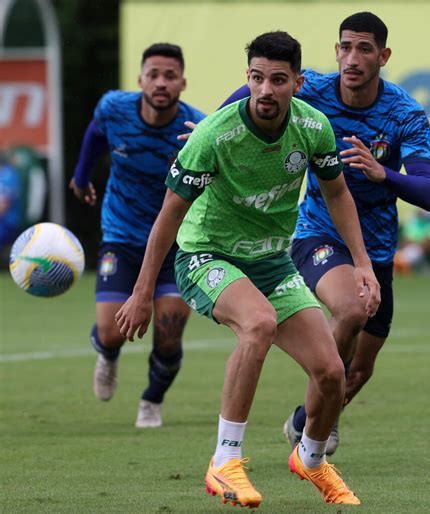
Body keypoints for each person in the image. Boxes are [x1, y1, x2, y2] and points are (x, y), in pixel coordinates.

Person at [116, 31, 380, 507]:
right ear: (248, 79)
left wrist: (363, 265)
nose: (265, 90)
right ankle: (225, 462)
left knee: (331, 372)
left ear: (297, 83)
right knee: (257, 325)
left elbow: (338, 193)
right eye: (257, 78)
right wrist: (140, 293)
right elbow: (170, 214)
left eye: (277, 80)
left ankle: (312, 459)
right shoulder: (214, 135)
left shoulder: (313, 128)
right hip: (206, 255)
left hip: (272, 263)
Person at [219, 11, 430, 456]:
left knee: (358, 371)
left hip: (376, 246)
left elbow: (428, 191)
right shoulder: (312, 87)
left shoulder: (404, 114)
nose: (351, 58)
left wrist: (384, 173)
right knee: (354, 310)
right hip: (316, 232)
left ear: (384, 56)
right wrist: (212, 128)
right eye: (345, 47)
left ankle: (308, 418)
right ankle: (316, 426)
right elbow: (250, 94)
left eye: (364, 48)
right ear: (335, 50)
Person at [69, 43, 205, 428]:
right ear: (140, 79)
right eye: (154, 75)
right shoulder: (115, 109)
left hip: (177, 242)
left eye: (170, 76)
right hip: (123, 232)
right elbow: (96, 135)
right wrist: (81, 178)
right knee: (112, 331)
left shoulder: (195, 129)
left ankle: (152, 400)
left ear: (183, 82)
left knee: (168, 334)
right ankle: (108, 355)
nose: (161, 83)